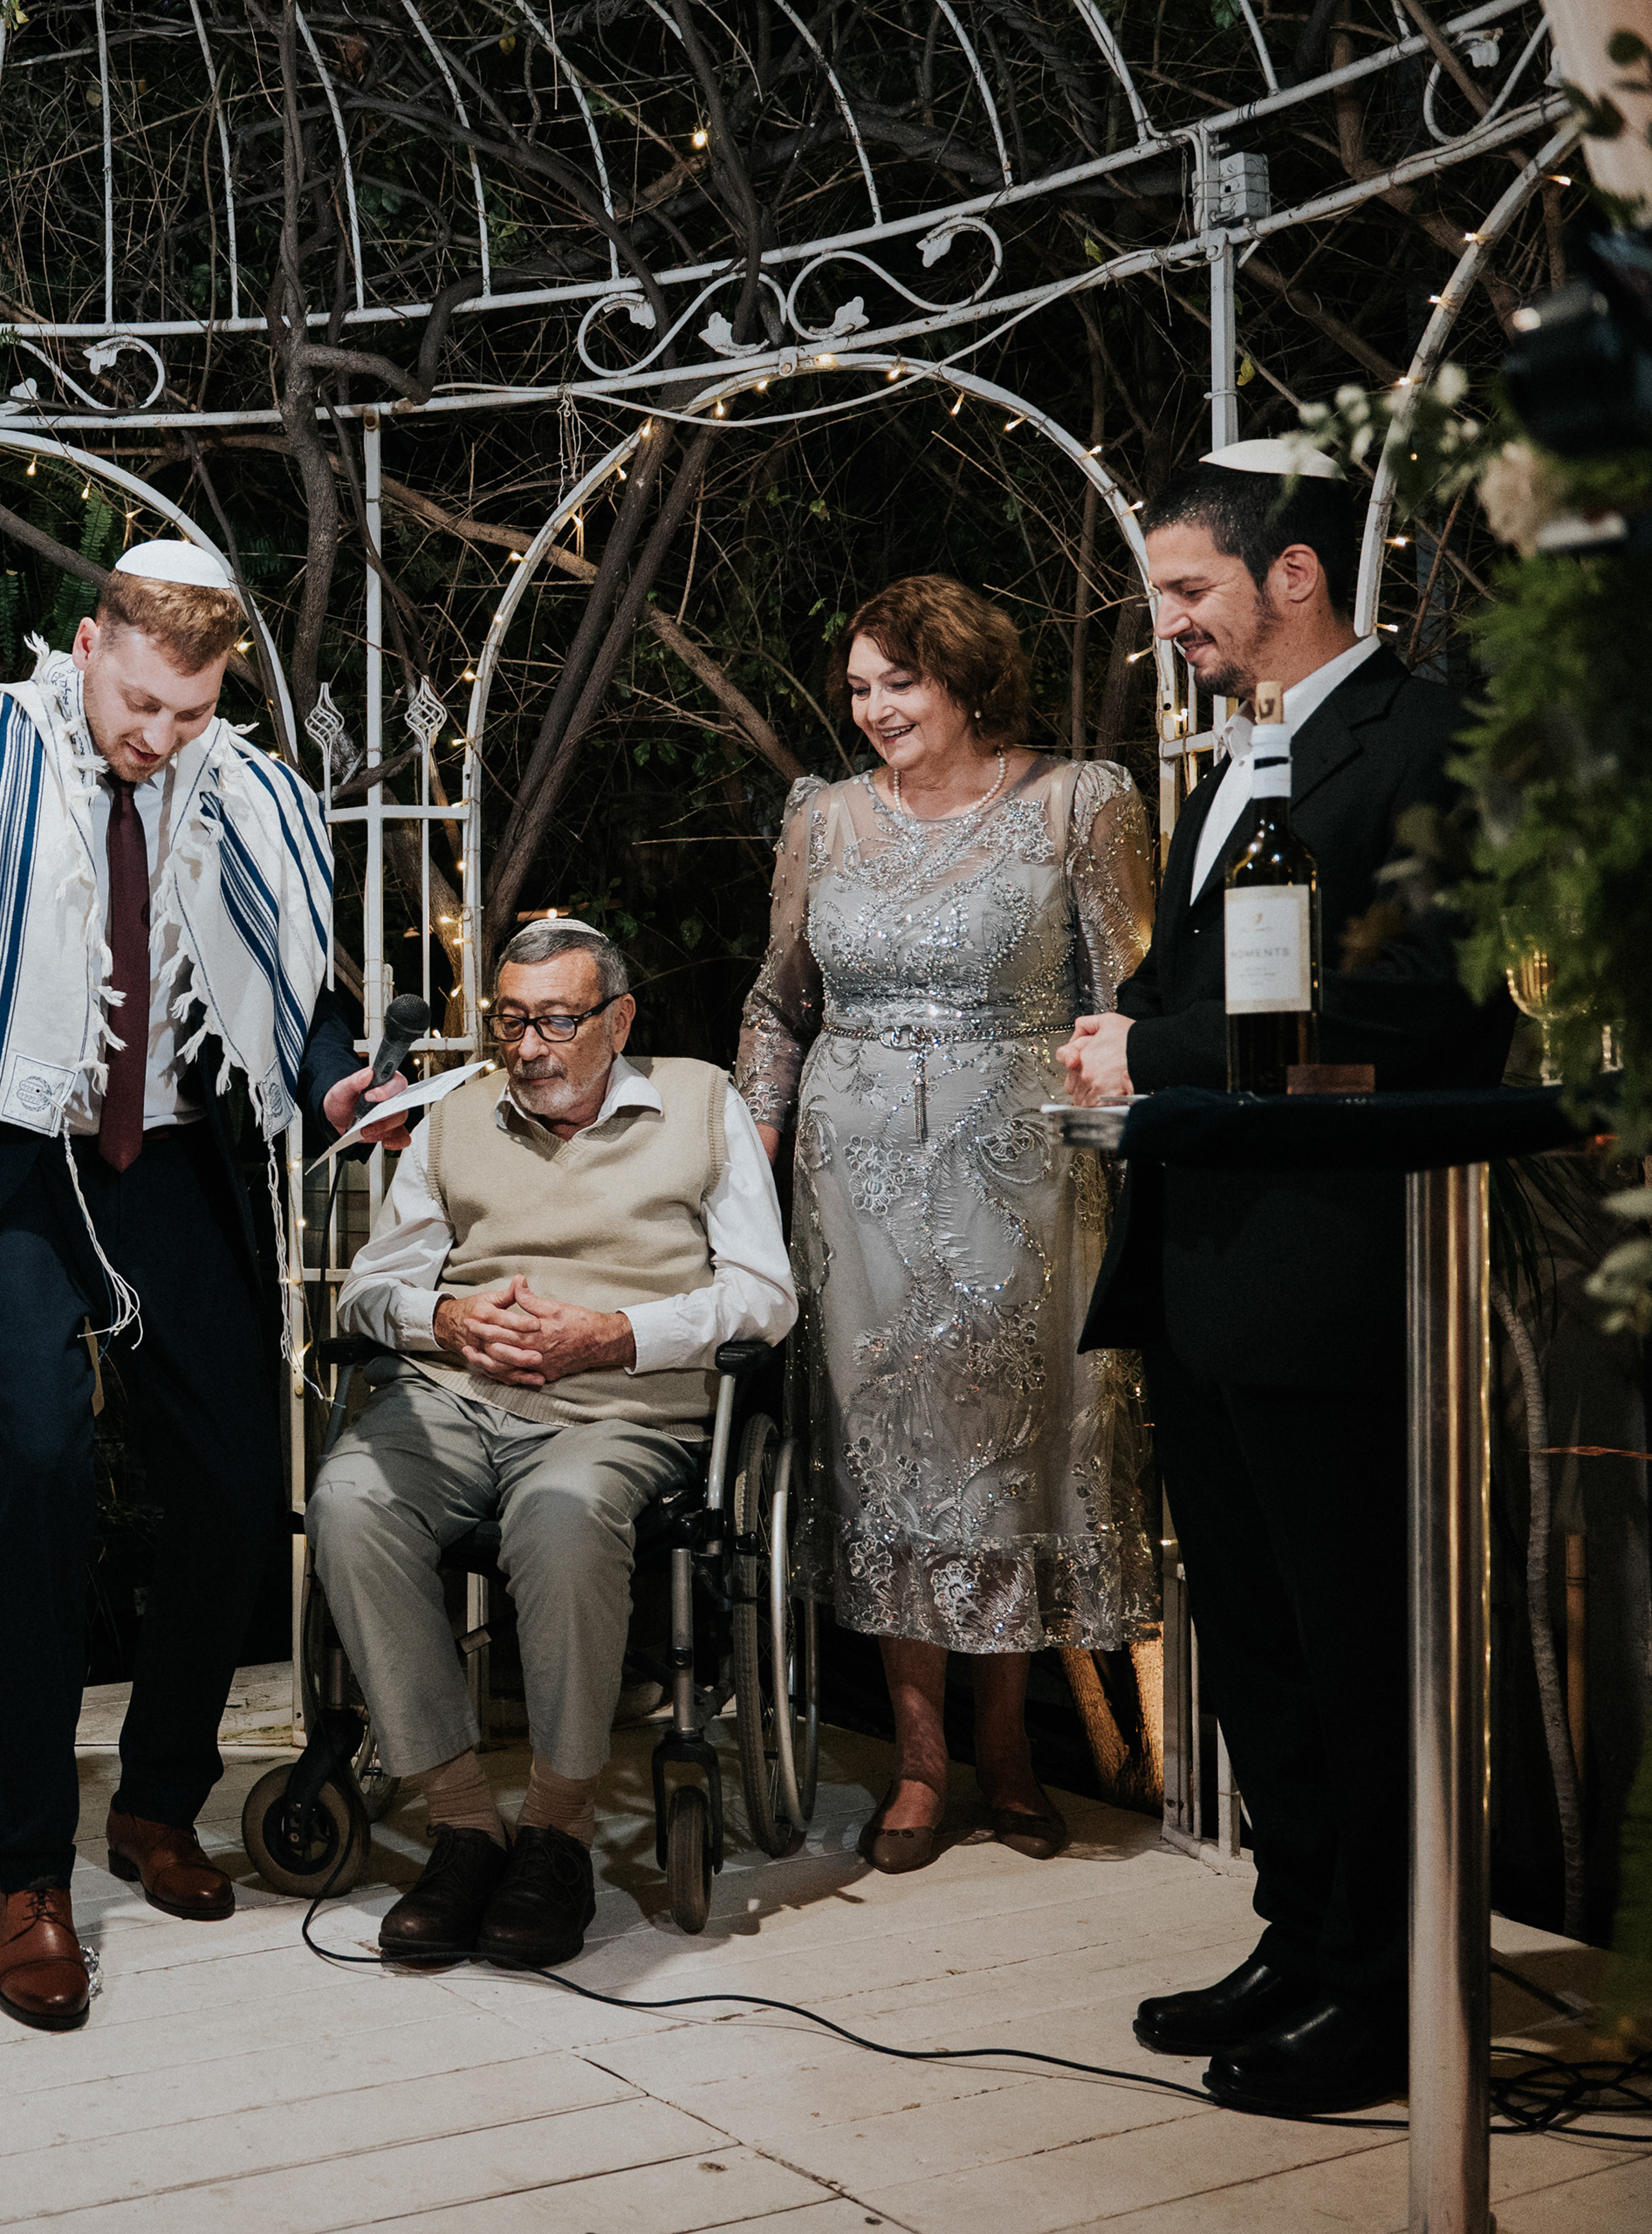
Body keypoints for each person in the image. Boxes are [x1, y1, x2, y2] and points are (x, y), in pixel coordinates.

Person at [0, 543, 372, 2032]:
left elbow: (295, 986)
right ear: (90, 643)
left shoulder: (248, 791)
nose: (159, 737)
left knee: (235, 1480)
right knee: (36, 1463)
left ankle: (158, 1799)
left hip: (163, 1160)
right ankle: (30, 1876)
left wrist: (340, 1084)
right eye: (141, 702)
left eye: (191, 712)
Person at [1065, 441, 1516, 2116]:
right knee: (1256, 1646)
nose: (1170, 622)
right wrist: (1123, 1032)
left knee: (1354, 1652)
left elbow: (1425, 1016)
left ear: (1296, 573)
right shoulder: (1241, 758)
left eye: (1190, 589)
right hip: (1203, 1272)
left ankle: (1392, 1995)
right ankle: (1305, 1936)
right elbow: (1198, 983)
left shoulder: (1431, 745)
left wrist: (1158, 1050)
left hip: (1336, 1277)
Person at [735, 576, 1159, 1875]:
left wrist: (1142, 1161)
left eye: (900, 682)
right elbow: (778, 1003)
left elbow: (1133, 1001)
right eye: (860, 689)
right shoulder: (821, 818)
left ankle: (1010, 1750)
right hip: (851, 1185)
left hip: (1023, 1179)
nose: (874, 710)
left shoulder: (1081, 803)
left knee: (1011, 1452)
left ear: (968, 677)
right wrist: (748, 1159)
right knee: (885, 1456)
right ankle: (921, 1764)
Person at [313, 919, 796, 1965]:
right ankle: (461, 1826)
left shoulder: (701, 1102)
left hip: (620, 1408)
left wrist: (617, 1334)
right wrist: (445, 1320)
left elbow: (766, 1296)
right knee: (349, 1501)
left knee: (563, 1516)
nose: (528, 1047)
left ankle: (557, 1832)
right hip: (455, 1397)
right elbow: (369, 1289)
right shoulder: (455, 1118)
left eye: (557, 1021)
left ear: (619, 1021)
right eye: (511, 1021)